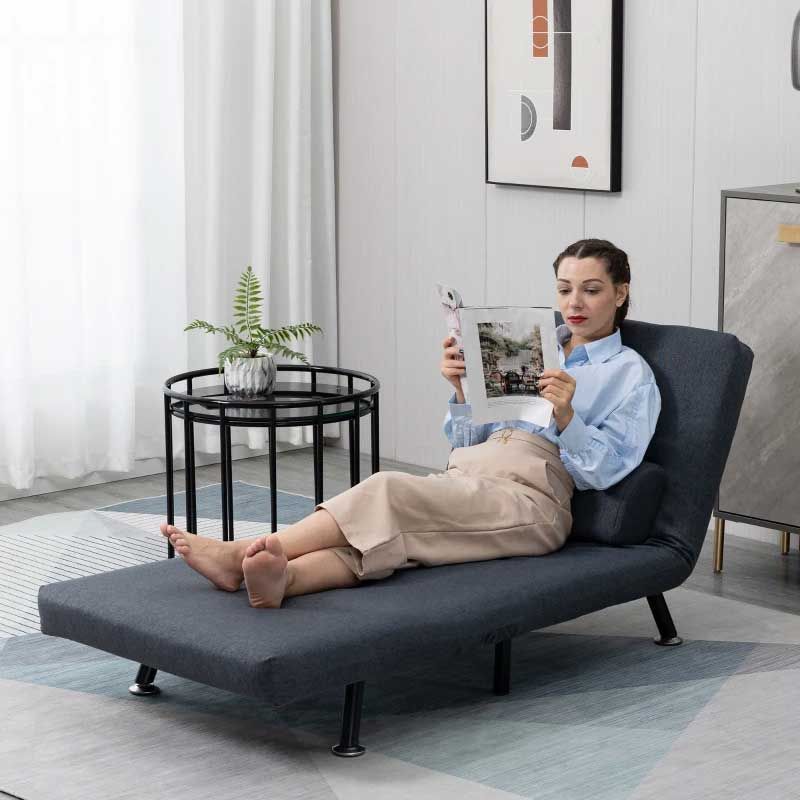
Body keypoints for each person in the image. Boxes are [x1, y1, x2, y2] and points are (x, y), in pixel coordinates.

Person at [160, 238, 661, 609]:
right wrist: (463, 391)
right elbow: (462, 441)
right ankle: (283, 581)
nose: (574, 303)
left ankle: (240, 553)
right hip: (468, 475)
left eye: (591, 290)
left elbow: (607, 471)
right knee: (396, 537)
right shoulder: (536, 343)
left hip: (534, 500)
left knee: (387, 493)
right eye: (565, 289)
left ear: (620, 294)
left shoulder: (629, 374)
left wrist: (567, 416)